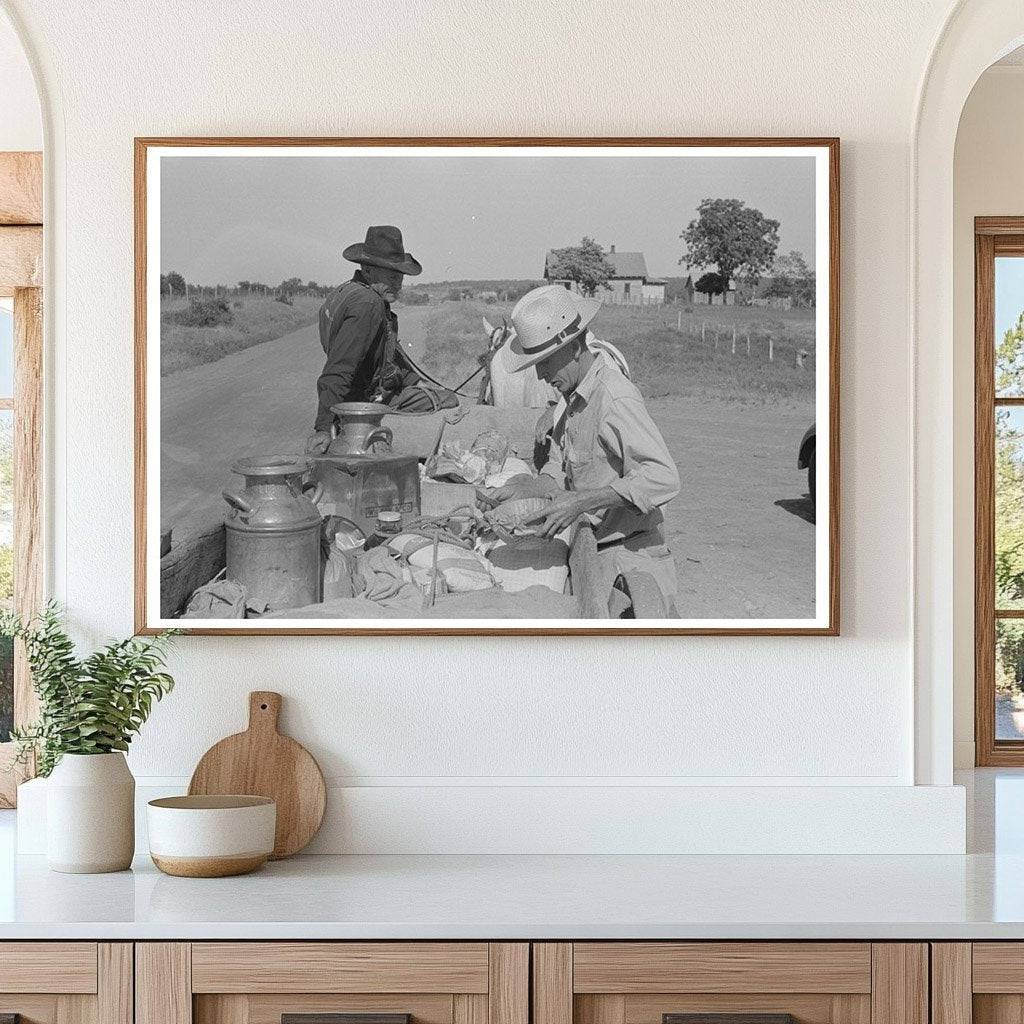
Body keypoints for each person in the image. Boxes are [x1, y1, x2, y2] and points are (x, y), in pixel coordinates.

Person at [484, 285, 681, 610]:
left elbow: (664, 477)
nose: (540, 375)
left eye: (545, 362)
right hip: (591, 549)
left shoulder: (614, 398)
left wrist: (582, 501)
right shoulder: (572, 400)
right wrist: (525, 487)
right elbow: (560, 470)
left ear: (575, 348)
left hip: (631, 557)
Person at [306, 225, 425, 455]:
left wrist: (415, 381)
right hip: (363, 405)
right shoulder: (368, 304)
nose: (398, 284)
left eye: (400, 276)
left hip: (354, 400)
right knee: (448, 401)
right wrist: (323, 427)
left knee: (424, 392)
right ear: (368, 270)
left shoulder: (348, 291)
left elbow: (385, 354)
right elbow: (338, 369)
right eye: (392, 276)